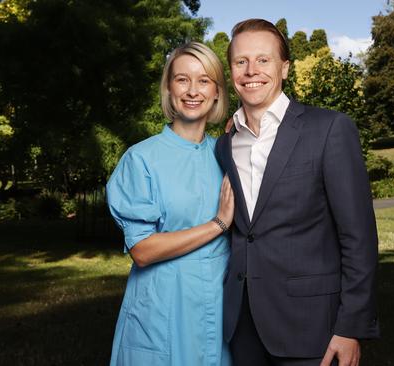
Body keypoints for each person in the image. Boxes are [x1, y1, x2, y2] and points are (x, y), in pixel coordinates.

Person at [214, 19, 380, 366]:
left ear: (285, 68)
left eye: (263, 60)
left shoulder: (329, 128)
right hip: (243, 327)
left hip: (313, 327)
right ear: (231, 71)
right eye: (240, 61)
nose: (251, 71)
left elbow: (359, 238)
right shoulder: (225, 145)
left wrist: (350, 326)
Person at [106, 42, 234, 366]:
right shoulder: (141, 159)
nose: (193, 90)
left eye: (204, 80)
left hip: (217, 313)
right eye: (182, 79)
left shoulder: (228, 155)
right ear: (169, 88)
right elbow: (143, 250)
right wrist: (217, 224)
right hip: (161, 314)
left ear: (217, 92)